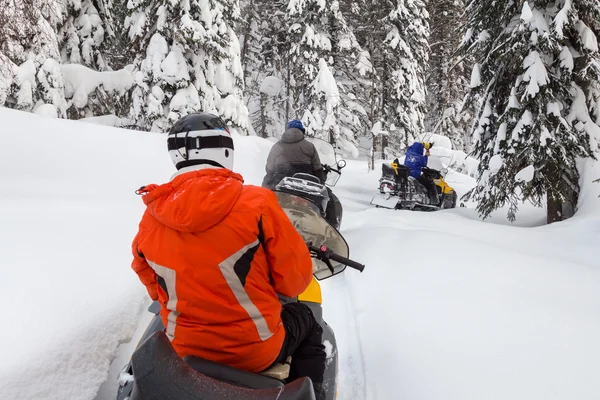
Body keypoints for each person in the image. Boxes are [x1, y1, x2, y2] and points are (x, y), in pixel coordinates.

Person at [131, 112, 327, 400]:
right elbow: (294, 283)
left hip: (183, 347)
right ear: (225, 151)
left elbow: (153, 286)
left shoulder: (152, 215)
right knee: (307, 319)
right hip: (255, 351)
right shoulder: (258, 203)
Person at [262, 119, 341, 228]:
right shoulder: (309, 146)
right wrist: (322, 177)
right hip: (307, 184)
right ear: (302, 131)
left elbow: (269, 168)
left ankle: (260, 221)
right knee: (329, 199)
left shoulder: (277, 146)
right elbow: (317, 169)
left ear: (287, 130)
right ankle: (331, 229)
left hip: (280, 184)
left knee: (263, 195)